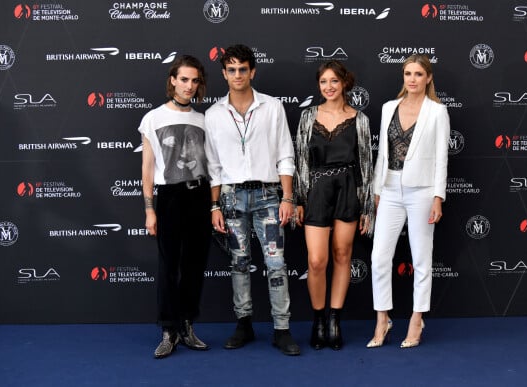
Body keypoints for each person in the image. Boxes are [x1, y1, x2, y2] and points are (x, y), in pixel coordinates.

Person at [204, 44, 300, 356]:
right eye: (231, 70)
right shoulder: (213, 114)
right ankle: (244, 323)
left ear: (252, 71)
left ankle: (281, 329)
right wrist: (214, 205)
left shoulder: (272, 107)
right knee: (239, 263)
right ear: (223, 74)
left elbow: (286, 154)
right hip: (231, 198)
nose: (237, 75)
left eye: (242, 69)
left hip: (269, 196)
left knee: (275, 263)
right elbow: (213, 166)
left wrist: (288, 197)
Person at [368, 54, 450, 349]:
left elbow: (442, 157)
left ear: (428, 78)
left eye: (418, 74)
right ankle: (382, 318)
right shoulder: (389, 107)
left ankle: (417, 319)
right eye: (407, 73)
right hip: (389, 188)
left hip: (422, 191)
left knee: (421, 259)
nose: (412, 79)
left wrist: (438, 197)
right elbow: (382, 153)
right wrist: (377, 189)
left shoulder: (437, 112)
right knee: (379, 257)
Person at [294, 60, 375, 350]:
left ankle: (334, 320)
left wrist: (368, 208)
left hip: (348, 188)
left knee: (343, 254)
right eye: (323, 82)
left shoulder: (360, 120)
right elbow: (300, 159)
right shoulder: (307, 117)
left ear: (344, 84)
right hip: (315, 190)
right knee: (316, 260)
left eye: (334, 81)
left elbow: (366, 164)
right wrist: (298, 200)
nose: (328, 87)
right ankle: (318, 318)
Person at [139, 55, 211, 359]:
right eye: (184, 79)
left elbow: (213, 165)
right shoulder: (153, 118)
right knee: (168, 266)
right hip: (168, 198)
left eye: (194, 81)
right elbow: (147, 168)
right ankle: (168, 330)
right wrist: (149, 209)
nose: (189, 86)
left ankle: (186, 325)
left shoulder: (205, 120)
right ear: (173, 80)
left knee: (194, 265)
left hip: (200, 196)